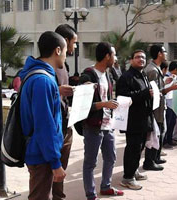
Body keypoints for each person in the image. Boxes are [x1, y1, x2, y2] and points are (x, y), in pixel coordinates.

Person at [19, 31, 67, 200]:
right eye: (66, 51)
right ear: (58, 51)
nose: (66, 57)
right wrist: (55, 163)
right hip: (41, 154)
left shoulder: (39, 76)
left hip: (40, 151)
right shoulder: (43, 80)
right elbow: (44, 125)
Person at [78, 42, 124, 199]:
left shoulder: (108, 74)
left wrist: (114, 103)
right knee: (90, 162)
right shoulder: (88, 75)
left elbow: (108, 97)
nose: (115, 58)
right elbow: (82, 106)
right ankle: (91, 194)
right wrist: (105, 104)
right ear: (107, 56)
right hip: (93, 126)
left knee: (111, 157)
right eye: (114, 54)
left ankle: (106, 186)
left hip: (108, 124)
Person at [117, 50, 153, 190]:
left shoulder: (143, 75)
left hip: (144, 118)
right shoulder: (126, 77)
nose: (141, 60)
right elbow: (123, 97)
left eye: (143, 57)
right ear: (131, 60)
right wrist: (144, 94)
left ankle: (133, 170)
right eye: (138, 57)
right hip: (132, 120)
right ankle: (127, 177)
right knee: (133, 148)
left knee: (140, 147)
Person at [143, 45, 177, 170]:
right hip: (154, 109)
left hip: (158, 107)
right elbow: (155, 92)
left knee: (159, 132)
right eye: (164, 52)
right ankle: (149, 161)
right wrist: (170, 88)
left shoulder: (156, 68)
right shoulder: (152, 70)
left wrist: (165, 81)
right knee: (154, 134)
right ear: (159, 54)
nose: (166, 54)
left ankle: (155, 157)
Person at [53, 24, 78, 200]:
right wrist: (58, 90)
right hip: (53, 127)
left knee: (61, 169)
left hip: (65, 124)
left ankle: (59, 196)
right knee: (50, 172)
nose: (75, 47)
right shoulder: (46, 69)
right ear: (65, 41)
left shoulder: (65, 66)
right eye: (74, 43)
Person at [163, 61, 177, 148]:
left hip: (174, 103)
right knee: (168, 123)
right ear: (175, 69)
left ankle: (170, 139)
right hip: (168, 104)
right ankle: (165, 141)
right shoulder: (167, 78)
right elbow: (165, 90)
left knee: (172, 122)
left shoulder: (174, 77)